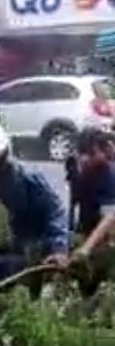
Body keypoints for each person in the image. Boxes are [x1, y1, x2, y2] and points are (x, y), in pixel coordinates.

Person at [0, 121, 69, 318]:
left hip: (25, 255)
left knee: (20, 312)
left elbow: (55, 212)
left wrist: (59, 249)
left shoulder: (29, 179)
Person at [67, 127, 115, 297]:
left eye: (92, 153)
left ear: (105, 150)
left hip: (105, 233)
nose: (86, 158)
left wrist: (86, 248)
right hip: (86, 224)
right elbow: (75, 201)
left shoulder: (107, 173)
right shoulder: (75, 164)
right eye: (83, 153)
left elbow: (110, 217)